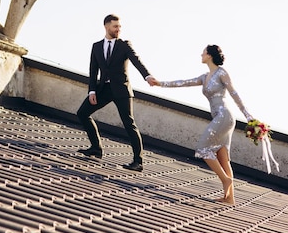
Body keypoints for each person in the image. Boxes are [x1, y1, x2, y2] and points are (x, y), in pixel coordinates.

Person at [149, 44, 253, 204]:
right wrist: (160, 83)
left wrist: (248, 117)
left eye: (203, 53)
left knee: (202, 149)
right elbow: (183, 82)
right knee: (222, 158)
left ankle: (226, 180)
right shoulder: (205, 77)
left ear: (210, 55)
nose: (201, 55)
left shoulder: (221, 73)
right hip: (219, 117)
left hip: (224, 116)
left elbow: (234, 93)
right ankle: (230, 197)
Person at [77, 14, 154, 172]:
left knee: (129, 123)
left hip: (121, 90)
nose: (118, 29)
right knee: (82, 113)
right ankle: (96, 148)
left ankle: (138, 161)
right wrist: (92, 90)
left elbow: (136, 60)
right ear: (106, 27)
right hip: (103, 89)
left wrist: (147, 76)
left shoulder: (124, 45)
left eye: (119, 27)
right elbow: (93, 71)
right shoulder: (97, 46)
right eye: (115, 27)